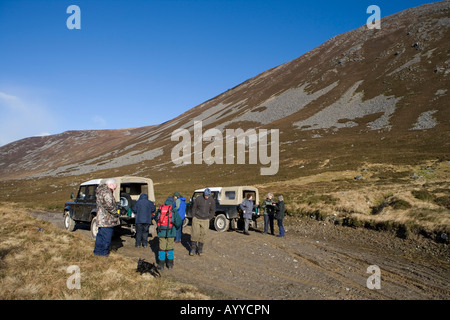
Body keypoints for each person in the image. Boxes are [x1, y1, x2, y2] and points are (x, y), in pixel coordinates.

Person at [153, 196, 182, 270]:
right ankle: (170, 264)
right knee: (170, 248)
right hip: (171, 232)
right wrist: (175, 228)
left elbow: (156, 218)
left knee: (162, 248)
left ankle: (161, 265)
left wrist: (160, 224)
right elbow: (179, 222)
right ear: (173, 202)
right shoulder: (173, 210)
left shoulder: (160, 209)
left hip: (161, 231)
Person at [93, 178, 120, 257]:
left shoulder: (100, 190)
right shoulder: (107, 192)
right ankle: (104, 253)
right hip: (107, 220)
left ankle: (97, 252)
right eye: (115, 187)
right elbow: (109, 206)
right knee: (106, 237)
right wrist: (116, 213)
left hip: (101, 219)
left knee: (100, 236)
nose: (115, 189)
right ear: (111, 185)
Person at [190, 188, 216, 256]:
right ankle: (193, 249)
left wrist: (209, 218)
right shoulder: (198, 198)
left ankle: (200, 249)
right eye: (206, 195)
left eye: (208, 195)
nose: (206, 197)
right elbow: (194, 207)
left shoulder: (212, 200)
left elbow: (213, 210)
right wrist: (193, 216)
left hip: (205, 220)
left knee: (203, 234)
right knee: (195, 233)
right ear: (203, 194)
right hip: (197, 218)